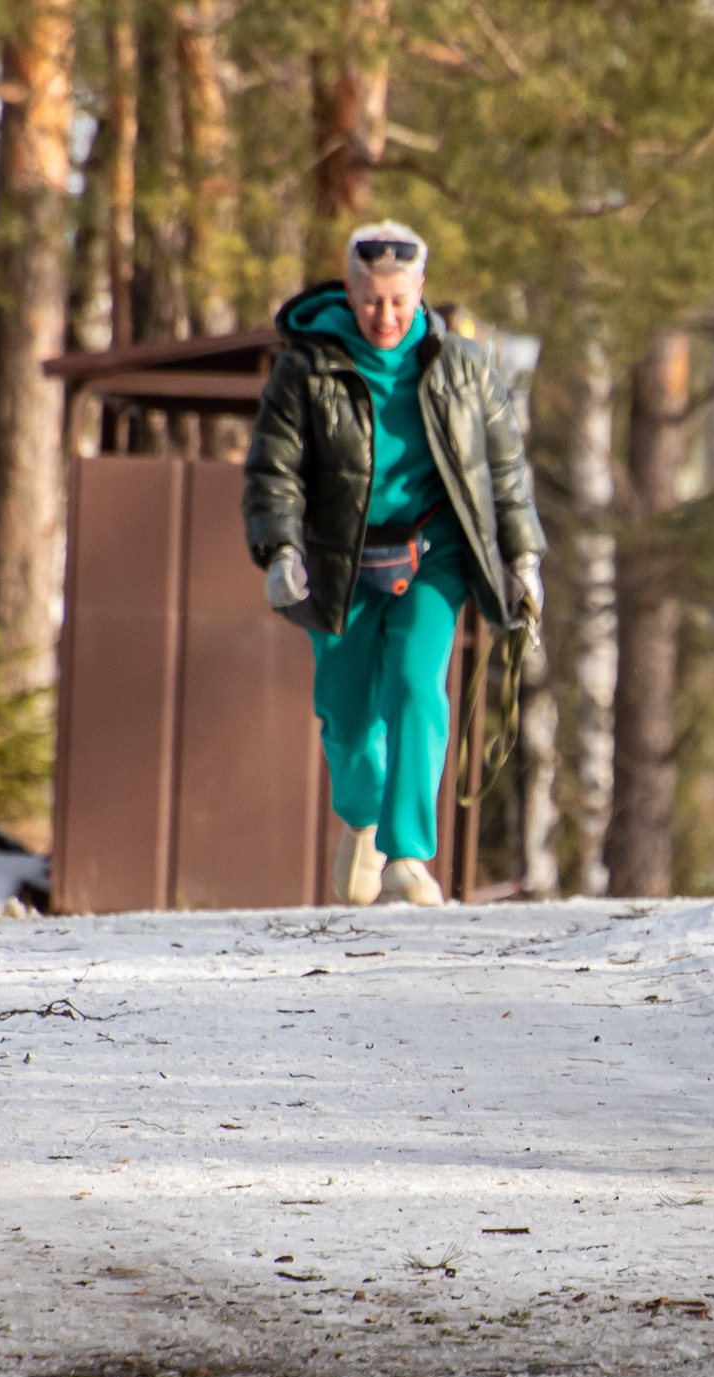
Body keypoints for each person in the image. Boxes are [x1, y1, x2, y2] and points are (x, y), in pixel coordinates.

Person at [242, 220, 544, 906]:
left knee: (414, 685)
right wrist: (279, 547)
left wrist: (523, 557)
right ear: (349, 291)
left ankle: (408, 855)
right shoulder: (307, 368)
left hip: (434, 552)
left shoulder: (464, 366)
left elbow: (505, 472)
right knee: (346, 717)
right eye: (372, 300)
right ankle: (362, 817)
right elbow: (275, 469)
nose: (385, 316)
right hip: (337, 556)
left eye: (399, 302)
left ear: (421, 293)